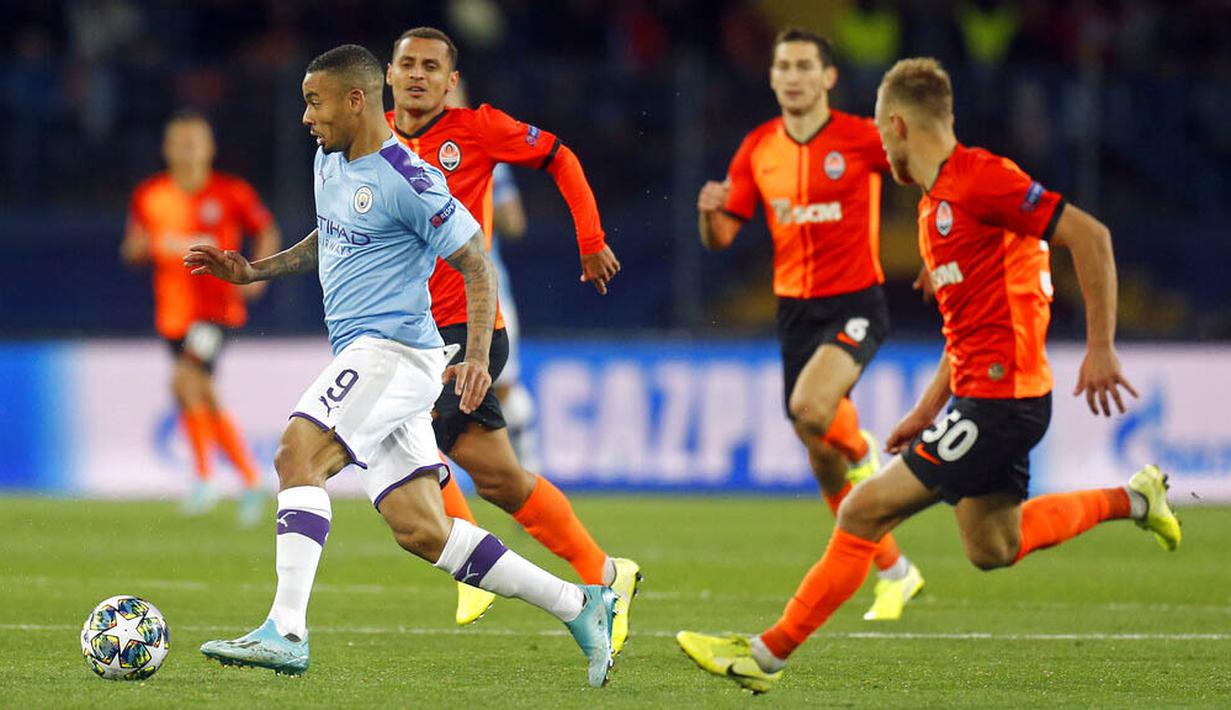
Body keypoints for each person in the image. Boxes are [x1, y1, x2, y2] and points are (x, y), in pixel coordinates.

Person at [677, 56, 1181, 694]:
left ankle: (763, 655)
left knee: (862, 510)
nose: (881, 148)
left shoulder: (981, 180)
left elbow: (1091, 235)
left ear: (894, 125)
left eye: (882, 135)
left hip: (1003, 400)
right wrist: (924, 411)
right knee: (993, 546)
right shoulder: (935, 206)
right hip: (983, 394)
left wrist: (1101, 346)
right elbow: (967, 325)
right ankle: (1137, 499)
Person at [189, 44, 618, 688]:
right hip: (371, 354)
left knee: (297, 454)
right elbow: (327, 235)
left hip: (396, 352)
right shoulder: (327, 160)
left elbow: (476, 261)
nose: (307, 117)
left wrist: (476, 356)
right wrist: (256, 270)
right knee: (423, 529)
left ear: (355, 100)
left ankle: (286, 629)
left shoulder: (410, 178)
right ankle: (580, 604)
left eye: (315, 102)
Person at [384, 26, 640, 649]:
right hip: (401, 332)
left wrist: (590, 238)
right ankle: (607, 573)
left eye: (431, 67)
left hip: (467, 330)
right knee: (497, 476)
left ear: (451, 80)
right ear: (388, 75)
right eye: (406, 64)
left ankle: (473, 567)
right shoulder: (372, 135)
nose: (418, 75)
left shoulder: (477, 129)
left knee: (396, 429)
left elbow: (560, 156)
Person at [696, 28, 923, 621]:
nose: (792, 76)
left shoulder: (860, 138)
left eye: (804, 66)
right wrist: (709, 213)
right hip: (794, 310)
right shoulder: (757, 148)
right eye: (783, 67)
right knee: (820, 454)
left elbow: (928, 175)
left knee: (812, 410)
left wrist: (934, 249)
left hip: (856, 301)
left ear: (828, 78)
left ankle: (863, 446)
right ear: (771, 78)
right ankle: (895, 569)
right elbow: (723, 237)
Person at [122, 110, 281, 525]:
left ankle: (206, 477)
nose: (189, 150)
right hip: (173, 313)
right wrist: (154, 246)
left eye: (197, 141)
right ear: (167, 149)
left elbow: (265, 229)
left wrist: (258, 271)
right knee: (200, 393)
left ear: (210, 148)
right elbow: (133, 247)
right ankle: (249, 478)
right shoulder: (150, 195)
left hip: (217, 310)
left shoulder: (231, 193)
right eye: (181, 142)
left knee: (185, 381)